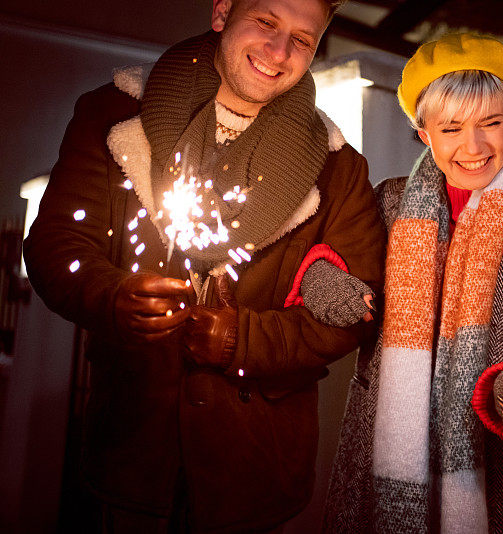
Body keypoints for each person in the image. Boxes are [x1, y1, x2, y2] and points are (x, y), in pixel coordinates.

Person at [23, 0, 384, 531]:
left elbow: (359, 305)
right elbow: (57, 242)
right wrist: (112, 296)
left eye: (302, 40)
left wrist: (246, 340)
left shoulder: (339, 167)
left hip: (255, 466)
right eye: (265, 22)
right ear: (221, 13)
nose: (279, 51)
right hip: (134, 449)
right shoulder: (112, 114)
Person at [321, 33, 503, 533]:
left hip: (496, 471)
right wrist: (328, 283)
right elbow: (338, 269)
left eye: (491, 122)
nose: (474, 147)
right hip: (380, 449)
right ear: (423, 133)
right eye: (451, 128)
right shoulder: (389, 202)